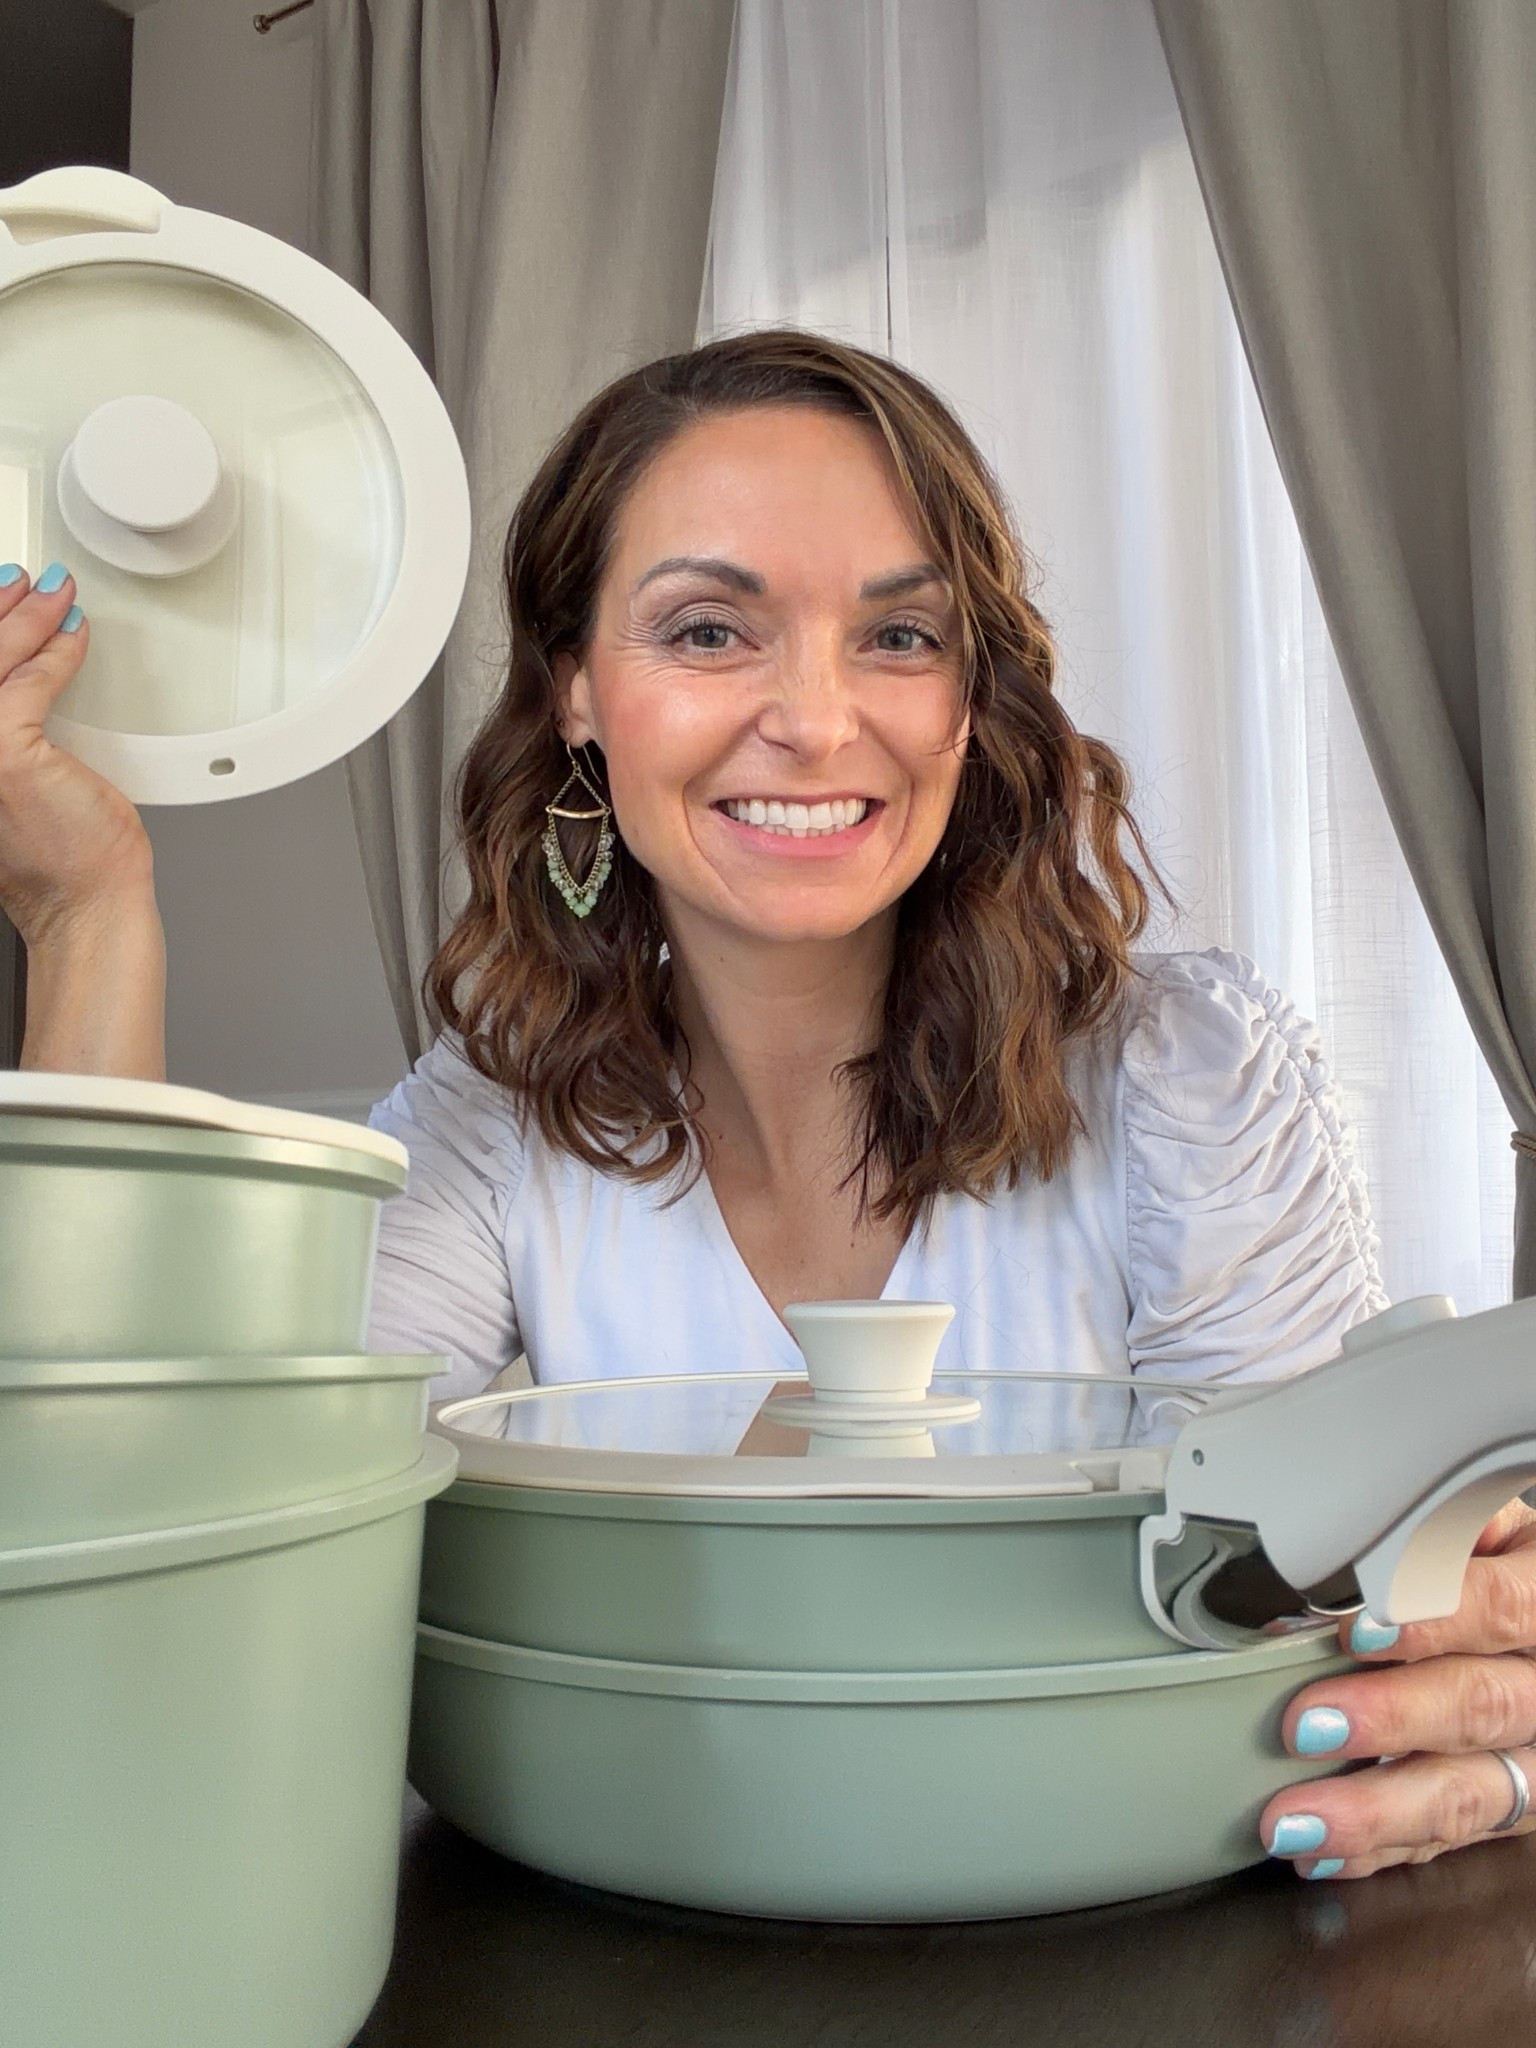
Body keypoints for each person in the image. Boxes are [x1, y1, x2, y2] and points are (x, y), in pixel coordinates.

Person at [3, 330, 1532, 1884]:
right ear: (577, 692)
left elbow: (1313, 1619)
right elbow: (172, 1532)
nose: (815, 721)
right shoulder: (493, 1120)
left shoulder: (1184, 1076)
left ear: (971, 696)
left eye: (900, 638)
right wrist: (85, 913)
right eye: (711, 631)